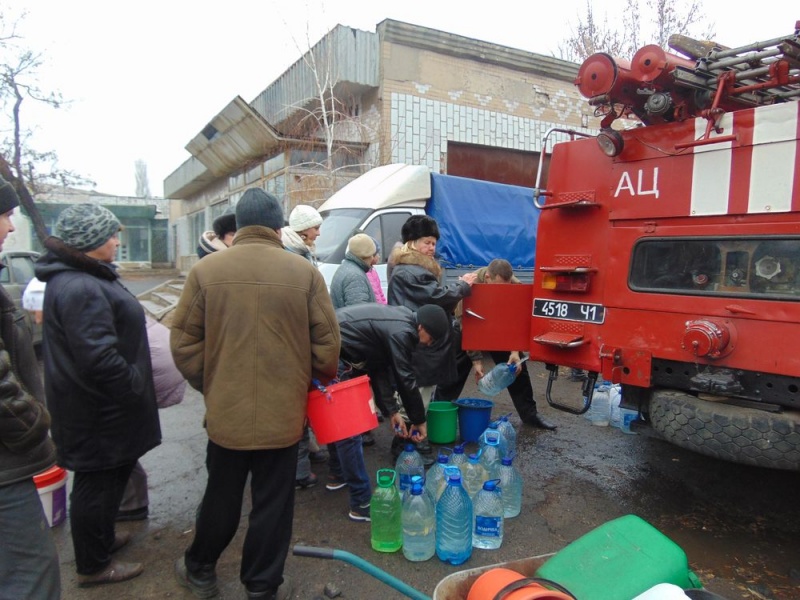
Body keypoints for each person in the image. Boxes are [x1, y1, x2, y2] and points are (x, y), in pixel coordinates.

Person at [171, 188, 340, 599]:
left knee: (221, 496)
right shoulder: (304, 274)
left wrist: (211, 383)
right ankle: (262, 586)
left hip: (226, 416)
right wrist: (302, 380)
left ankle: (200, 570)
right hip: (282, 417)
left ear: (239, 226)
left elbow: (183, 344)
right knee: (273, 504)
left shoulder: (206, 272)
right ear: (279, 227)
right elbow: (328, 349)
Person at [35, 203, 161, 587]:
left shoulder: (82, 278)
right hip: (99, 411)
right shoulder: (81, 286)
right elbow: (98, 357)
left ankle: (102, 539)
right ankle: (93, 564)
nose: (116, 241)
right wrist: (134, 385)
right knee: (97, 485)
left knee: (109, 480)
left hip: (97, 407)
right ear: (90, 241)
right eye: (110, 235)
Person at [329, 302, 450, 520]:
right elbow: (406, 379)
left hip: (336, 346)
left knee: (338, 421)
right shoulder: (402, 332)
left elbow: (379, 368)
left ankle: (339, 474)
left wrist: (392, 411)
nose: (428, 344)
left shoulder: (402, 321)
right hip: (333, 350)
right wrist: (419, 420)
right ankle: (361, 502)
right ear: (422, 328)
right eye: (431, 338)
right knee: (350, 429)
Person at [0, 176, 60, 599]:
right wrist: (33, 421)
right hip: (7, 467)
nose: (8, 226)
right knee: (31, 575)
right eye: (4, 215)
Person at [387, 215, 477, 456]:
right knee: (415, 397)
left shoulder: (411, 269)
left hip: (420, 345)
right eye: (426, 242)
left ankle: (411, 443)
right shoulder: (411, 272)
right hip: (420, 346)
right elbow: (438, 297)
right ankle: (405, 447)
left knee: (419, 396)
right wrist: (463, 285)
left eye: (434, 243)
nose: (431, 247)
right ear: (412, 242)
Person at [469, 259, 556, 430]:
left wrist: (515, 351)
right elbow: (467, 324)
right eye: (500, 286)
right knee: (453, 371)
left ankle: (530, 415)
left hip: (497, 327)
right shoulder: (470, 284)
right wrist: (476, 361)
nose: (504, 291)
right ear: (487, 277)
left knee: (517, 369)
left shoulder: (515, 286)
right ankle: (438, 409)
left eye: (506, 286)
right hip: (472, 327)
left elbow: (516, 320)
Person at [281, 203, 328, 487]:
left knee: (306, 400)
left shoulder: (301, 252)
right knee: (297, 406)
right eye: (315, 227)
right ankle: (298, 471)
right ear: (302, 229)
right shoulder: (292, 256)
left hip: (303, 339)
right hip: (296, 341)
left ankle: (307, 452)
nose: (319, 233)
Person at [365, 236, 387, 304]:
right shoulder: (366, 273)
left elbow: (381, 293)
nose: (379, 256)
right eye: (378, 254)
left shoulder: (373, 271)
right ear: (372, 255)